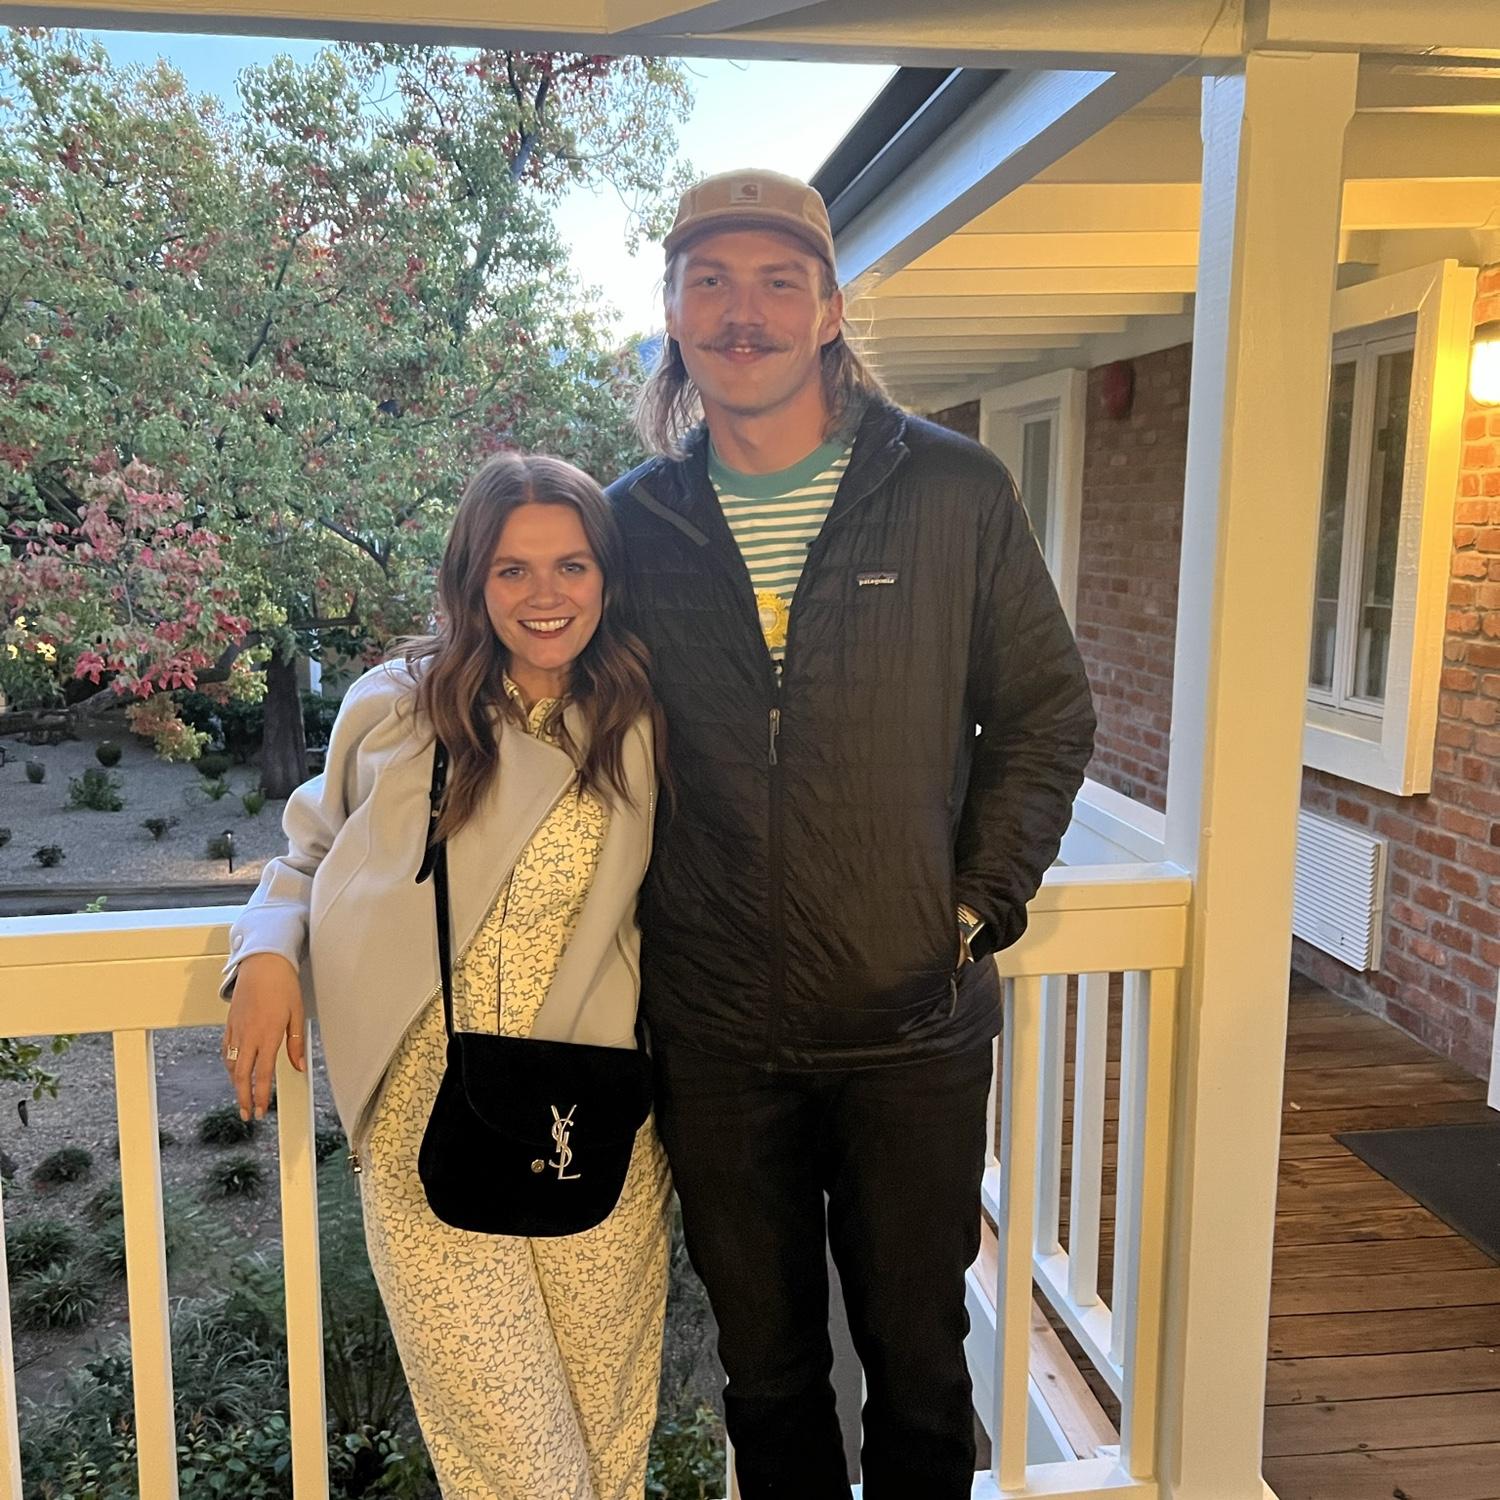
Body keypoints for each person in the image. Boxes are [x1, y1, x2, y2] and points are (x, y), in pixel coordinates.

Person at [607, 169, 1097, 1498]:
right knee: (766, 1381)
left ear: (829, 310)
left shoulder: (951, 490)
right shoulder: (635, 522)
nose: (744, 312)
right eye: (711, 282)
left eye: (778, 282)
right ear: (673, 312)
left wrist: (972, 906)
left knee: (921, 1369)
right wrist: (296, 887)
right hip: (714, 1036)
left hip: (912, 1033)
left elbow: (1046, 714)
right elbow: (525, 692)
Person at [219, 453, 671, 1500]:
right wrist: (267, 949)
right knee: (521, 1471)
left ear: (608, 575)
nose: (545, 594)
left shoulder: (642, 715)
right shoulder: (398, 709)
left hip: (589, 1112)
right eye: (513, 569)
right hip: (432, 1117)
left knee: (609, 1450)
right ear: (472, 579)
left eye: (571, 565)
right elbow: (307, 853)